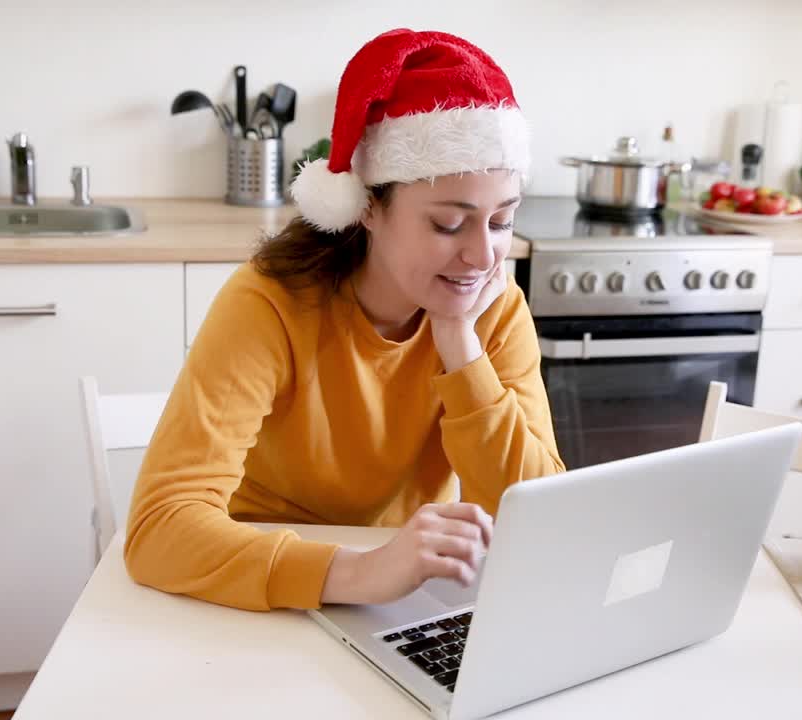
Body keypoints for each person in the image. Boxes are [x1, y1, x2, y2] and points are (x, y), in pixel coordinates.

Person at [124, 28, 565, 612]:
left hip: (406, 592)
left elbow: (536, 514)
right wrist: (357, 574)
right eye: (447, 224)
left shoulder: (491, 307)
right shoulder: (269, 303)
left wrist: (459, 344)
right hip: (258, 588)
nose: (483, 256)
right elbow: (160, 528)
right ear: (367, 208)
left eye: (502, 221)